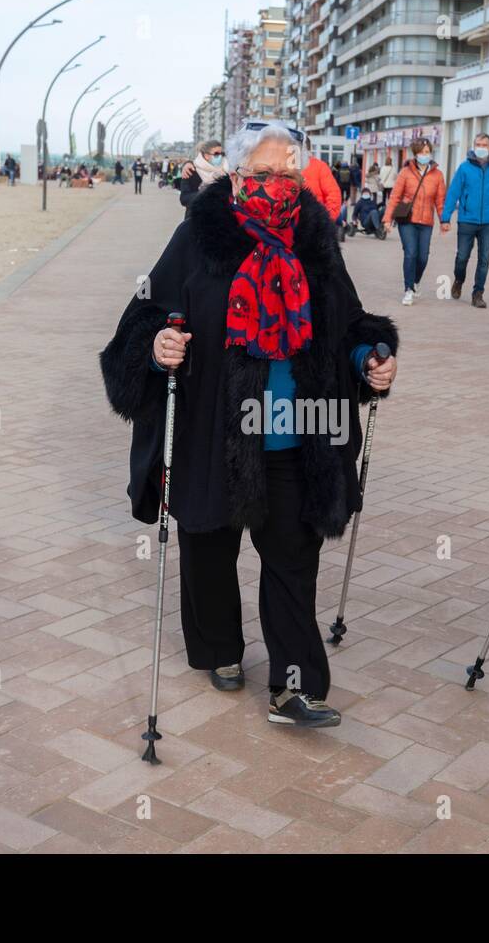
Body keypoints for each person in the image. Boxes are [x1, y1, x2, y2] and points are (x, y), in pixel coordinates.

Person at [101, 118, 400, 729]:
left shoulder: (315, 237)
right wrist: (158, 345)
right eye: (263, 175)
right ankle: (219, 648)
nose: (277, 185)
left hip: (299, 430)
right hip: (214, 428)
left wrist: (367, 358)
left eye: (288, 175)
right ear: (237, 177)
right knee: (209, 545)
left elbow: (347, 321)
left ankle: (296, 687)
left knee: (293, 558)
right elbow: (143, 318)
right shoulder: (199, 236)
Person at [441, 133, 489, 310]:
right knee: (462, 257)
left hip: (488, 222)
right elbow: (453, 193)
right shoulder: (464, 168)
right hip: (466, 220)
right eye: (478, 144)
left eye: (484, 145)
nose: (481, 148)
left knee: (484, 260)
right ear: (474, 146)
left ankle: (477, 294)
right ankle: (459, 279)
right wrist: (445, 217)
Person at [382, 138, 447, 306]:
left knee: (423, 257)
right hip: (408, 220)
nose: (424, 155)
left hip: (426, 221)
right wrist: (387, 219)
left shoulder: (437, 175)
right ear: (415, 153)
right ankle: (408, 289)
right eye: (421, 152)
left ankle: (416, 281)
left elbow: (441, 201)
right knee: (410, 253)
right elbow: (395, 196)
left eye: (427, 152)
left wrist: (444, 220)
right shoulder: (405, 173)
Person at [179, 140, 227, 216]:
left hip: (220, 218)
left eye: (222, 153)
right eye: (217, 154)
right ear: (206, 155)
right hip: (196, 218)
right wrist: (207, 193)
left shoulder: (226, 170)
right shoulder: (191, 170)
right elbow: (184, 199)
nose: (220, 156)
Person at [302, 153, 342, 222]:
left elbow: (334, 193)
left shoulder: (319, 167)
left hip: (314, 223)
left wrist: (325, 220)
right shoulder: (282, 167)